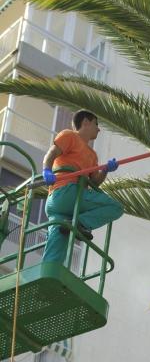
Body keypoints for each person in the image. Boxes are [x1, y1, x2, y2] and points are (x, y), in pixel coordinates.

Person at [42, 109, 123, 263]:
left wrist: (105, 169)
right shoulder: (69, 135)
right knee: (116, 208)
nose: (98, 129)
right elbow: (51, 154)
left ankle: (48, 275)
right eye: (96, 124)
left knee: (57, 243)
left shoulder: (92, 155)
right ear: (85, 122)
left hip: (61, 202)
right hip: (66, 192)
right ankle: (79, 223)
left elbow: (95, 182)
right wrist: (46, 170)